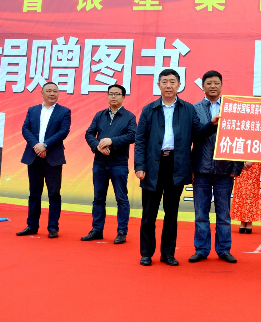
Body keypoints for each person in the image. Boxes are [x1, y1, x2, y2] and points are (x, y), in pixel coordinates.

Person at [134, 68, 219, 267]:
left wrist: (212, 124)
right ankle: (146, 253)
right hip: (153, 166)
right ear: (158, 85)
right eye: (164, 82)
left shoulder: (188, 109)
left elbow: (198, 133)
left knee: (171, 214)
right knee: (149, 214)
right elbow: (140, 140)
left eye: (172, 82)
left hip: (177, 165)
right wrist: (140, 165)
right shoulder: (149, 109)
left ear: (179, 85)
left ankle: (168, 254)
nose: (168, 86)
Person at [190, 70, 243, 264]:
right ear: (203, 86)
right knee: (200, 214)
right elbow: (192, 136)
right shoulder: (194, 109)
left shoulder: (232, 108)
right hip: (201, 169)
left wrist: (236, 168)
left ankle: (224, 249)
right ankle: (201, 249)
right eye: (209, 83)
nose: (213, 86)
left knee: (224, 214)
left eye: (216, 83)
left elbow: (239, 138)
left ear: (221, 86)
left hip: (224, 170)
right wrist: (190, 168)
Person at [83, 84, 137, 244]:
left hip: (118, 164)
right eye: (111, 93)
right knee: (98, 198)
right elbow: (89, 134)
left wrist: (111, 141)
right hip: (100, 162)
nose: (113, 96)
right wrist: (97, 146)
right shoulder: (100, 115)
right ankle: (97, 230)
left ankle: (121, 232)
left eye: (117, 94)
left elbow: (133, 135)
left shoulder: (129, 116)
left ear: (123, 97)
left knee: (121, 199)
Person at [17, 82, 71, 238]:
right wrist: (36, 146)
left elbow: (63, 131)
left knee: (54, 194)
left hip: (53, 157)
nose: (52, 94)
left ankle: (53, 227)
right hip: (34, 156)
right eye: (49, 91)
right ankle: (32, 225)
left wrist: (45, 145)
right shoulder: (33, 110)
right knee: (34, 193)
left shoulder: (64, 111)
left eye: (55, 91)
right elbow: (25, 129)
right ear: (42, 93)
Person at [231, 162, 261, 233]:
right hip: (240, 162)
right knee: (241, 191)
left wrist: (252, 160)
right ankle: (242, 221)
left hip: (254, 164)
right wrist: (241, 162)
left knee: (251, 192)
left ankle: (249, 221)